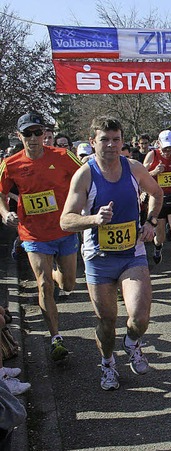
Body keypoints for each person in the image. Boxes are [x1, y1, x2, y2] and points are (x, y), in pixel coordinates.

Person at [60, 116, 163, 390]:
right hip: (98, 258)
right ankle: (107, 364)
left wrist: (151, 222)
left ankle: (132, 342)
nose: (111, 145)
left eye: (116, 139)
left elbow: (157, 193)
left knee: (139, 317)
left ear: (122, 141)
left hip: (132, 253)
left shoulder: (134, 168)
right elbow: (66, 220)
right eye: (104, 140)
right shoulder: (85, 174)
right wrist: (93, 219)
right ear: (93, 142)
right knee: (107, 322)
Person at [0, 112, 82, 362]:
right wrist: (5, 213)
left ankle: (59, 273)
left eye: (38, 132)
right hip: (33, 234)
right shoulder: (11, 164)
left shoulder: (62, 156)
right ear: (19, 135)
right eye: (28, 133)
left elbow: (87, 178)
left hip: (64, 230)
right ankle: (56, 337)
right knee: (43, 283)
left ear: (44, 134)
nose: (34, 138)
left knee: (67, 284)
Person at [144, 130, 171, 284]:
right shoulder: (152, 155)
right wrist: (155, 171)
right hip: (158, 199)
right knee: (160, 236)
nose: (167, 152)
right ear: (159, 144)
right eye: (165, 148)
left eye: (170, 148)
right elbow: (141, 176)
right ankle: (158, 246)